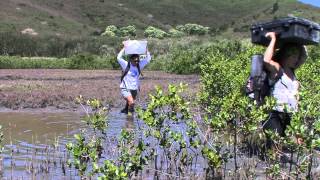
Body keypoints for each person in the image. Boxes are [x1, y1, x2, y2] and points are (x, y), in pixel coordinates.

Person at [262, 32, 307, 147]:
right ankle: (269, 161)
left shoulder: (293, 72)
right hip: (275, 113)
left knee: (298, 141)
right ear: (286, 56)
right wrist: (273, 39)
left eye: (297, 56)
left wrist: (301, 43)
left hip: (290, 113)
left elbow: (304, 57)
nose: (296, 59)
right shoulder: (277, 69)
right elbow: (266, 61)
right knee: (274, 144)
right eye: (294, 56)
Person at [117, 47, 151, 115]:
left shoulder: (139, 65)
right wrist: (124, 48)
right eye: (135, 61)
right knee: (132, 102)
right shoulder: (126, 64)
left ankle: (126, 112)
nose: (136, 62)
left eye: (138, 61)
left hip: (134, 89)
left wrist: (146, 49)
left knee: (130, 103)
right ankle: (130, 119)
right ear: (131, 60)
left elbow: (148, 59)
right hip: (125, 88)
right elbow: (118, 57)